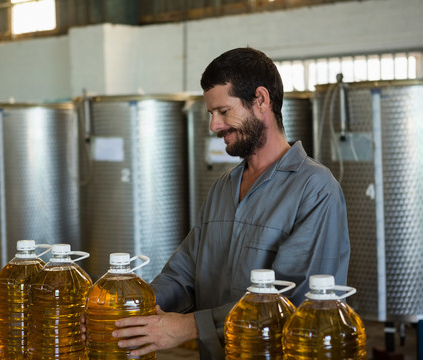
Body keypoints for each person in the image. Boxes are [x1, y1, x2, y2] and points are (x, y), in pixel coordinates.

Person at [81, 47, 350, 359]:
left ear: (261, 100)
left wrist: (191, 327)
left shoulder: (315, 189)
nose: (214, 126)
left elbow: (294, 301)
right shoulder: (224, 188)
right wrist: (129, 311)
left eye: (223, 111)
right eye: (211, 114)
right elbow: (185, 271)